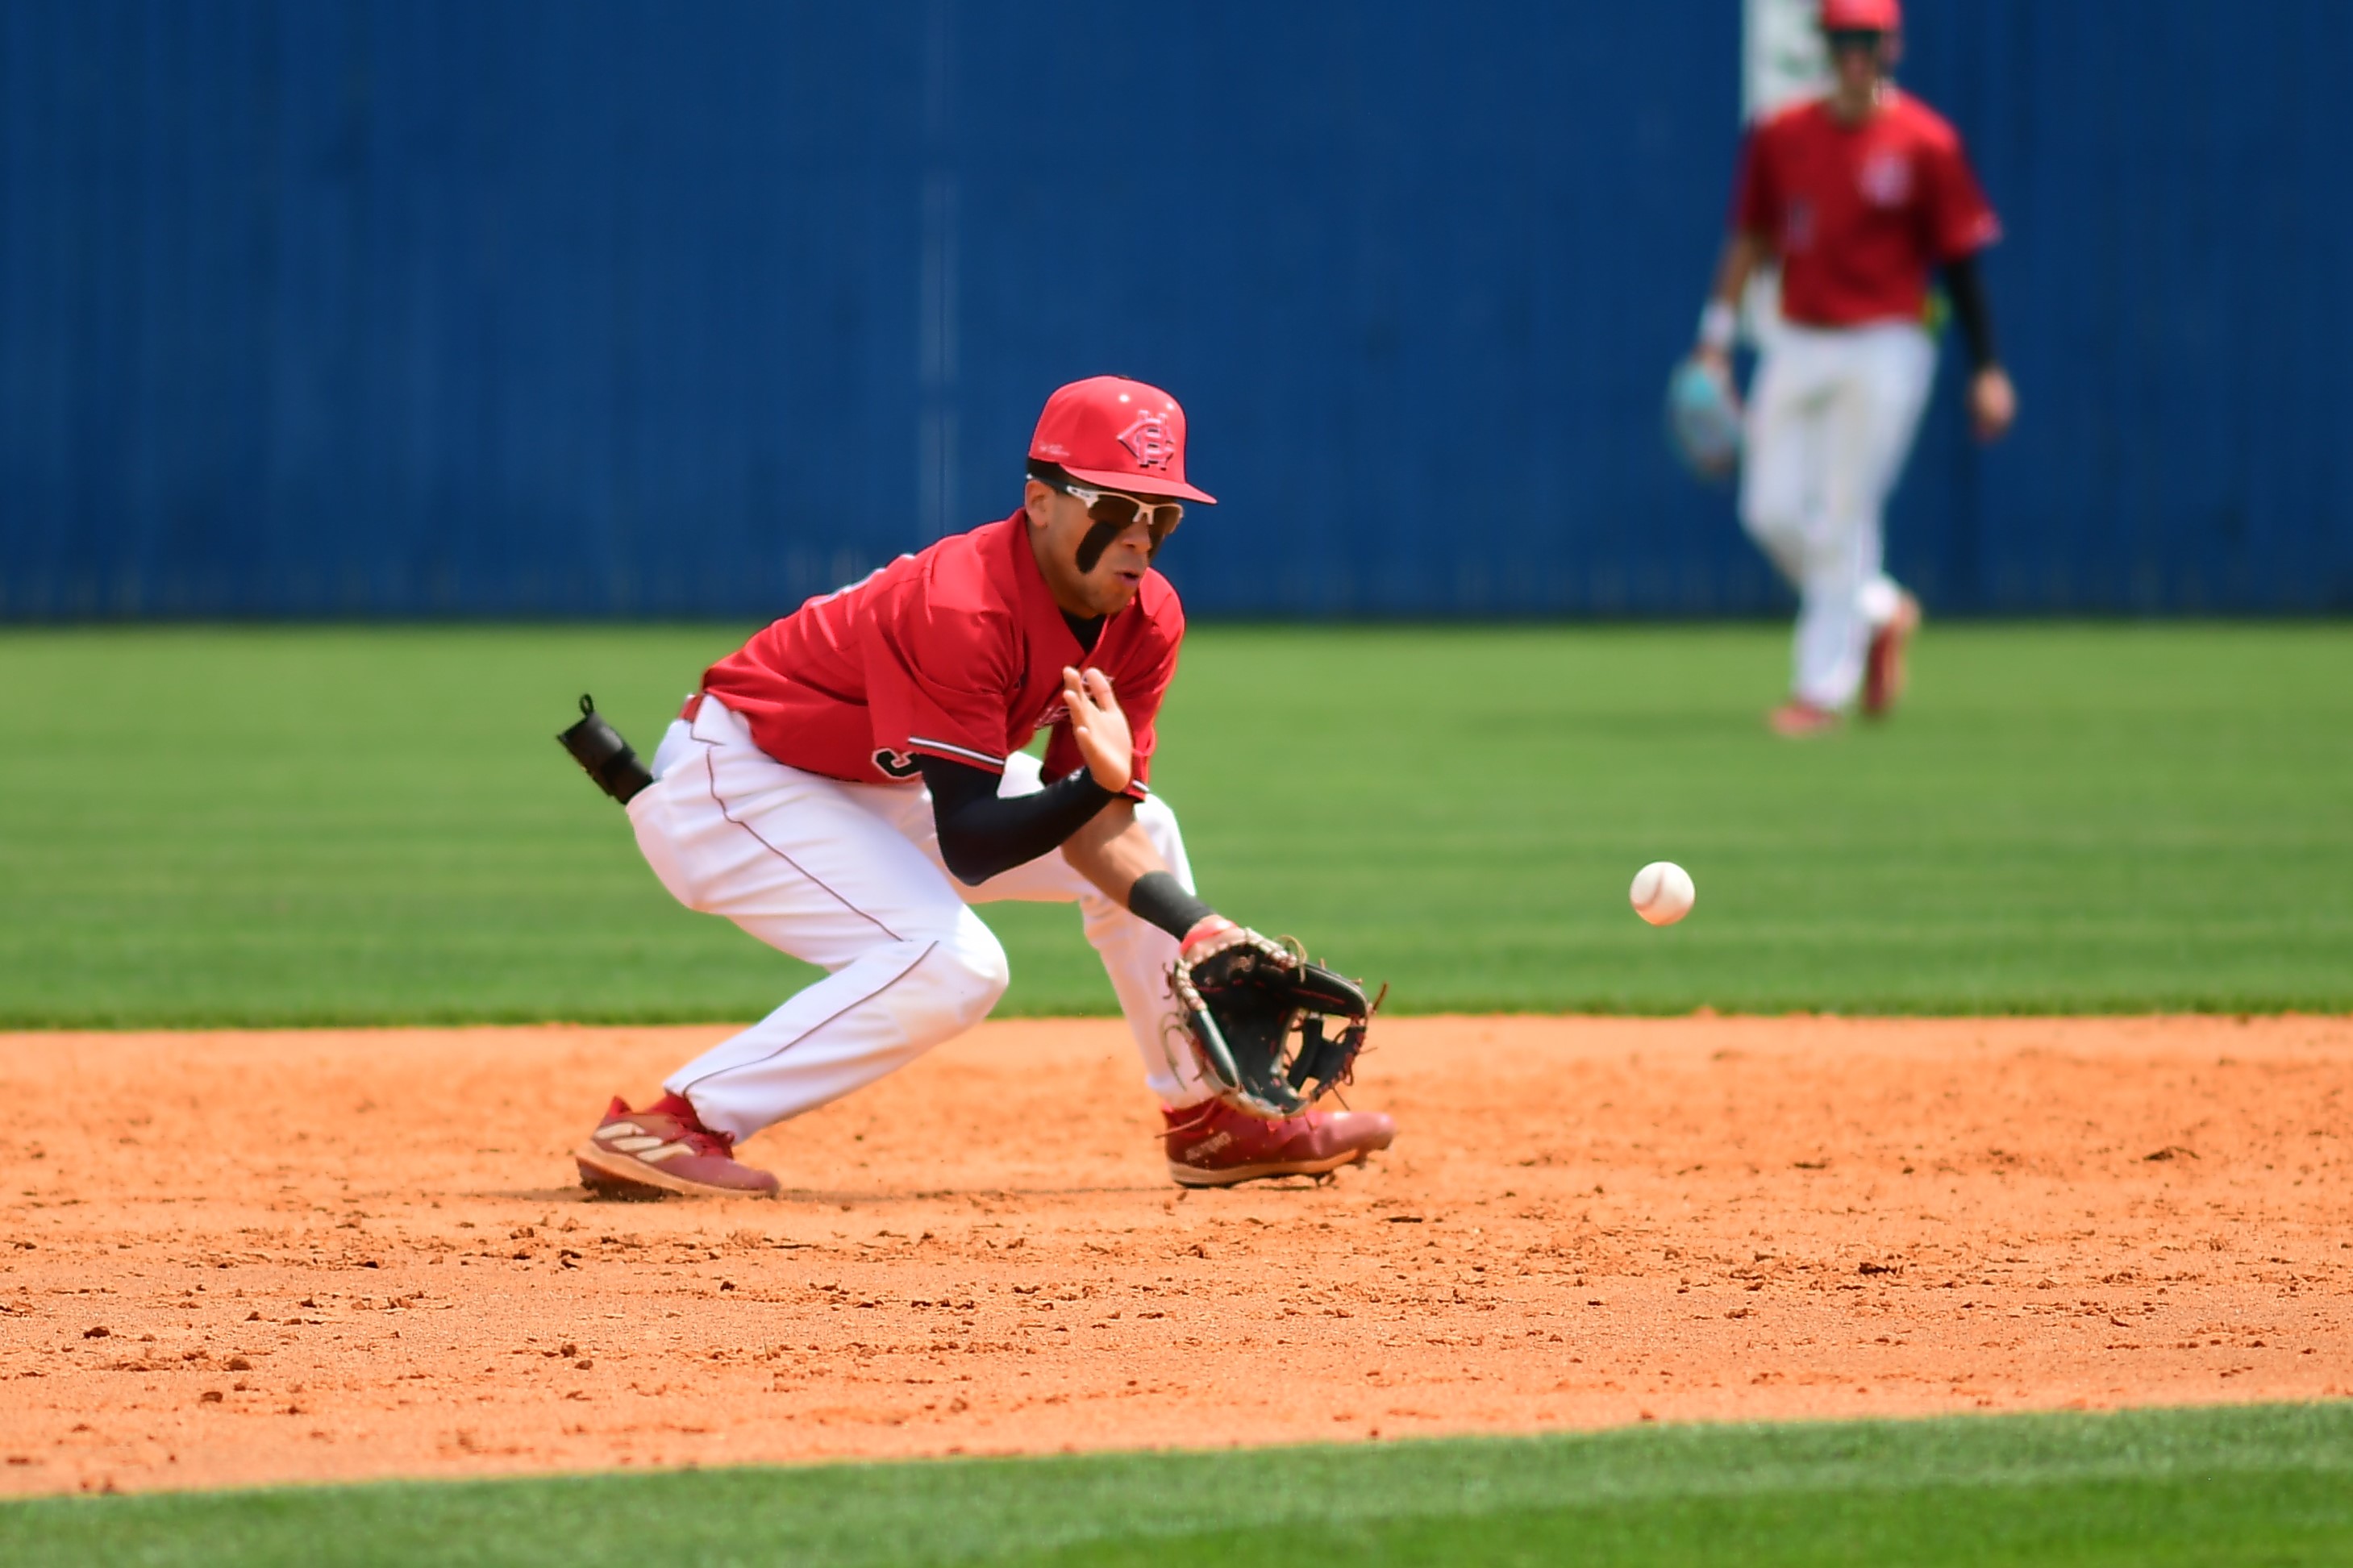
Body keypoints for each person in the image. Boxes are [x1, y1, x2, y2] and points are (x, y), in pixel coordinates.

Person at [573, 376, 1397, 1197]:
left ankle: (1212, 1122)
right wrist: (1095, 787)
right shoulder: (962, 604)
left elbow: (1096, 820)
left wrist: (1196, 929)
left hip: (885, 779)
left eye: (1161, 514)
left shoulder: (1146, 619)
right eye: (1113, 505)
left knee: (1155, 830)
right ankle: (673, 1121)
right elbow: (972, 843)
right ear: (1039, 500)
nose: (1139, 537)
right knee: (953, 963)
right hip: (743, 777)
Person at [1691, 0, 2015, 735]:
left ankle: (1819, 692)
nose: (1855, 57)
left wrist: (1988, 367)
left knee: (1843, 513)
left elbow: (1961, 263)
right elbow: (1748, 237)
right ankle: (1877, 609)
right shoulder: (1782, 135)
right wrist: (1713, 337)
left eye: (1867, 41)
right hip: (1798, 337)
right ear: (1824, 48)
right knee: (1768, 510)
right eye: (1842, 41)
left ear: (1892, 46)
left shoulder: (1926, 142)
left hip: (1887, 342)